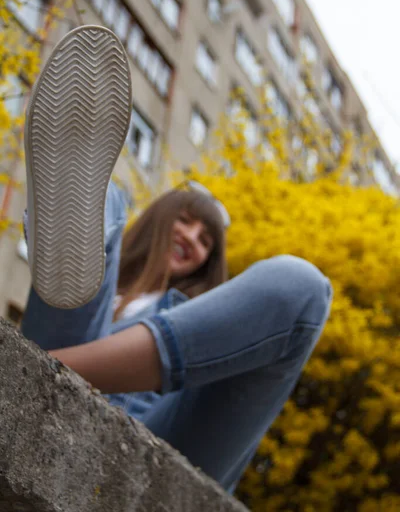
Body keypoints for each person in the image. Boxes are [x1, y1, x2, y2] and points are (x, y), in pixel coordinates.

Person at [21, 25, 332, 494]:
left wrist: (37, 369)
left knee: (301, 287)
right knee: (112, 202)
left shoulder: (195, 319)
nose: (193, 239)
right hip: (69, 319)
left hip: (164, 441)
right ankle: (73, 203)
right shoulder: (103, 273)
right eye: (185, 220)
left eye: (207, 241)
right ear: (161, 219)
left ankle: (39, 367)